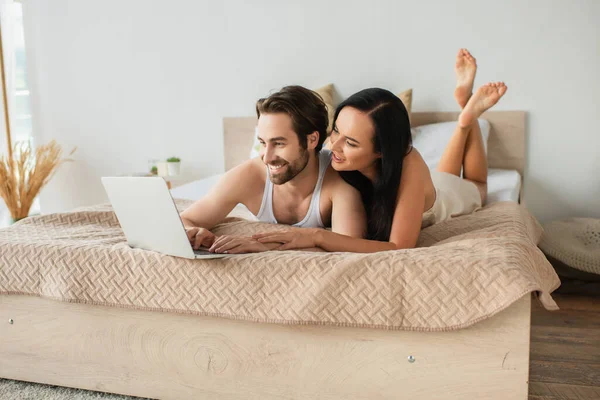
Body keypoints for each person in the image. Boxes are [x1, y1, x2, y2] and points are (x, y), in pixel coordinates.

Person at [250, 49, 508, 253]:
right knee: (442, 174)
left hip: (442, 201)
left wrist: (318, 236)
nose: (333, 146)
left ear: (381, 152)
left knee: (477, 186)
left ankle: (466, 118)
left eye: (350, 143)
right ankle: (465, 113)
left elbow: (398, 247)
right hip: (428, 185)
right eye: (336, 131)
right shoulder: (334, 160)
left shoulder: (410, 163)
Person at [179, 85, 366, 254]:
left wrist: (269, 246)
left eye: (278, 143)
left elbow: (349, 248)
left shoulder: (339, 179)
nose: (266, 157)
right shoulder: (248, 176)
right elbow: (186, 220)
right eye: (262, 143)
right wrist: (192, 232)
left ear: (312, 140)